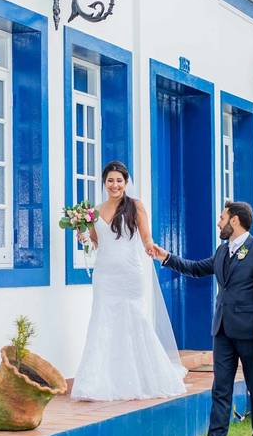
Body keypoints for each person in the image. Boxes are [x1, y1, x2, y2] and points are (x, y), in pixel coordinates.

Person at [151, 201, 253, 436]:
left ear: (235, 221)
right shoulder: (222, 251)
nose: (219, 222)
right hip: (222, 331)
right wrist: (166, 258)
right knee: (220, 390)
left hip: (251, 333)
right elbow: (197, 268)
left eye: (222, 218)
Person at [71, 161, 187, 401]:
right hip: (104, 275)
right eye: (110, 180)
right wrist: (82, 234)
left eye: (119, 180)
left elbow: (146, 237)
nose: (114, 185)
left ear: (126, 183)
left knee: (133, 320)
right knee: (102, 321)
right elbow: (95, 243)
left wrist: (150, 248)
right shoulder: (94, 211)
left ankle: (143, 378)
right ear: (104, 183)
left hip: (129, 273)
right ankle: (97, 383)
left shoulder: (135, 206)